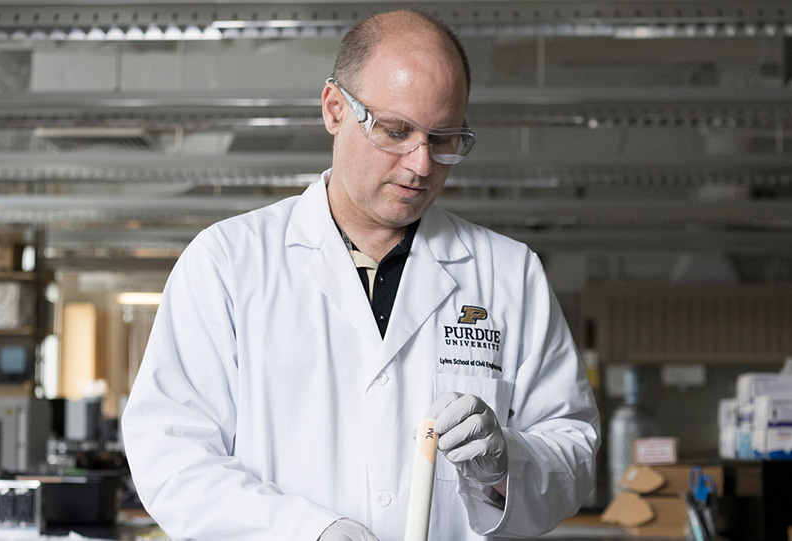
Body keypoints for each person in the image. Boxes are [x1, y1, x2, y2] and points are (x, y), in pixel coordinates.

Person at [121, 9, 600, 541]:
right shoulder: (228, 263)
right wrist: (307, 532)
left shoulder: (510, 274)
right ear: (335, 109)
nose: (421, 164)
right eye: (396, 131)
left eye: (443, 139)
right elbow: (172, 456)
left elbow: (573, 448)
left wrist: (506, 465)